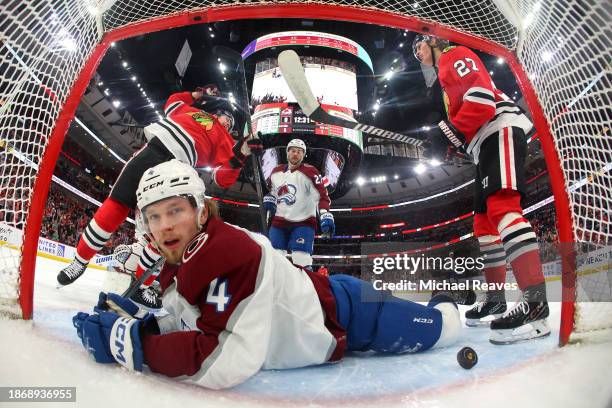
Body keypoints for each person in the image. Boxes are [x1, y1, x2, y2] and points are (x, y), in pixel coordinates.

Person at [72, 160, 472, 390]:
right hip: (326, 304)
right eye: (153, 217)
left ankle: (446, 301)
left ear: (201, 210)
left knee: (443, 326)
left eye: (175, 210)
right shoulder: (181, 259)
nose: (164, 226)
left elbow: (226, 359)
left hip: (349, 313)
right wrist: (146, 321)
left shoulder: (232, 251)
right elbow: (196, 318)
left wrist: (129, 342)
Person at [56, 85, 262, 295]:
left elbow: (222, 178)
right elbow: (172, 103)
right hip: (155, 149)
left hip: (177, 169)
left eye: (229, 121)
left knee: (164, 228)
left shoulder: (227, 141)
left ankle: (140, 286)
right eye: (223, 116)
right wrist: (194, 95)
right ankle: (80, 261)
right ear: (214, 113)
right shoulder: (195, 111)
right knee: (117, 203)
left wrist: (242, 152)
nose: (225, 120)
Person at [413, 35, 550, 344]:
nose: (417, 53)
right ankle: (496, 299)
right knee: (484, 226)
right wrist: (448, 142)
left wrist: (447, 134)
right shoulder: (446, 81)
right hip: (482, 142)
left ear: (433, 41)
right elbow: (464, 124)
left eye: (418, 46)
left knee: (503, 208)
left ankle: (535, 305)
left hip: (498, 128)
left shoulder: (453, 54)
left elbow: (483, 102)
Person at [263, 139, 334, 271]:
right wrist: (270, 198)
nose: (296, 154)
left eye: (299, 152)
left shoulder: (310, 172)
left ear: (303, 155)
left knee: (302, 259)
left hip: (303, 222)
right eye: (293, 151)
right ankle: (278, 289)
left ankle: (305, 290)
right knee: (275, 259)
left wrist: (324, 214)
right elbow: (273, 192)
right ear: (287, 152)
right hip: (279, 222)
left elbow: (321, 196)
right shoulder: (275, 172)